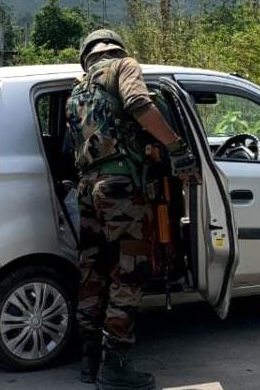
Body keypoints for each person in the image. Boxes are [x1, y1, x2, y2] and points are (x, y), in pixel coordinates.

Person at [64, 29, 200, 390]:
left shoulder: (77, 91)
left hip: (86, 189)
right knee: (129, 272)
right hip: (121, 188)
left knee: (93, 271)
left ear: (87, 55)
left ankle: (89, 359)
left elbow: (68, 149)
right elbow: (140, 105)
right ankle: (116, 365)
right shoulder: (124, 66)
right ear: (116, 49)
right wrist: (176, 148)